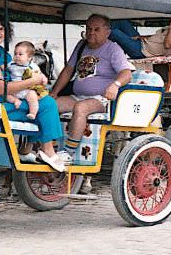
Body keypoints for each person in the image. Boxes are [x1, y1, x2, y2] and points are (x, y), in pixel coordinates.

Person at [0, 15, 66, 172]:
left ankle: (28, 149)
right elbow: (1, 88)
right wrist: (33, 81)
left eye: (1, 29)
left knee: (43, 101)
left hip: (7, 100)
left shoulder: (4, 54)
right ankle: (48, 150)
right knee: (47, 104)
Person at [51, 14, 133, 163]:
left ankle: (68, 152)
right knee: (49, 105)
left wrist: (115, 85)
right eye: (88, 28)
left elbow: (126, 74)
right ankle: (47, 147)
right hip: (77, 96)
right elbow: (68, 70)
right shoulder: (81, 45)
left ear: (107, 32)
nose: (91, 33)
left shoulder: (113, 49)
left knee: (81, 108)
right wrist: (54, 93)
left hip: (101, 99)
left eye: (96, 29)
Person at [6, 41, 49, 120]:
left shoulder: (32, 66)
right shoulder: (11, 64)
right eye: (15, 54)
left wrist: (44, 79)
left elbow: (39, 74)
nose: (17, 56)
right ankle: (15, 101)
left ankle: (33, 113)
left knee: (33, 96)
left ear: (29, 57)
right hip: (15, 88)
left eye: (20, 54)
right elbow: (4, 67)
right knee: (6, 94)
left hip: (26, 90)